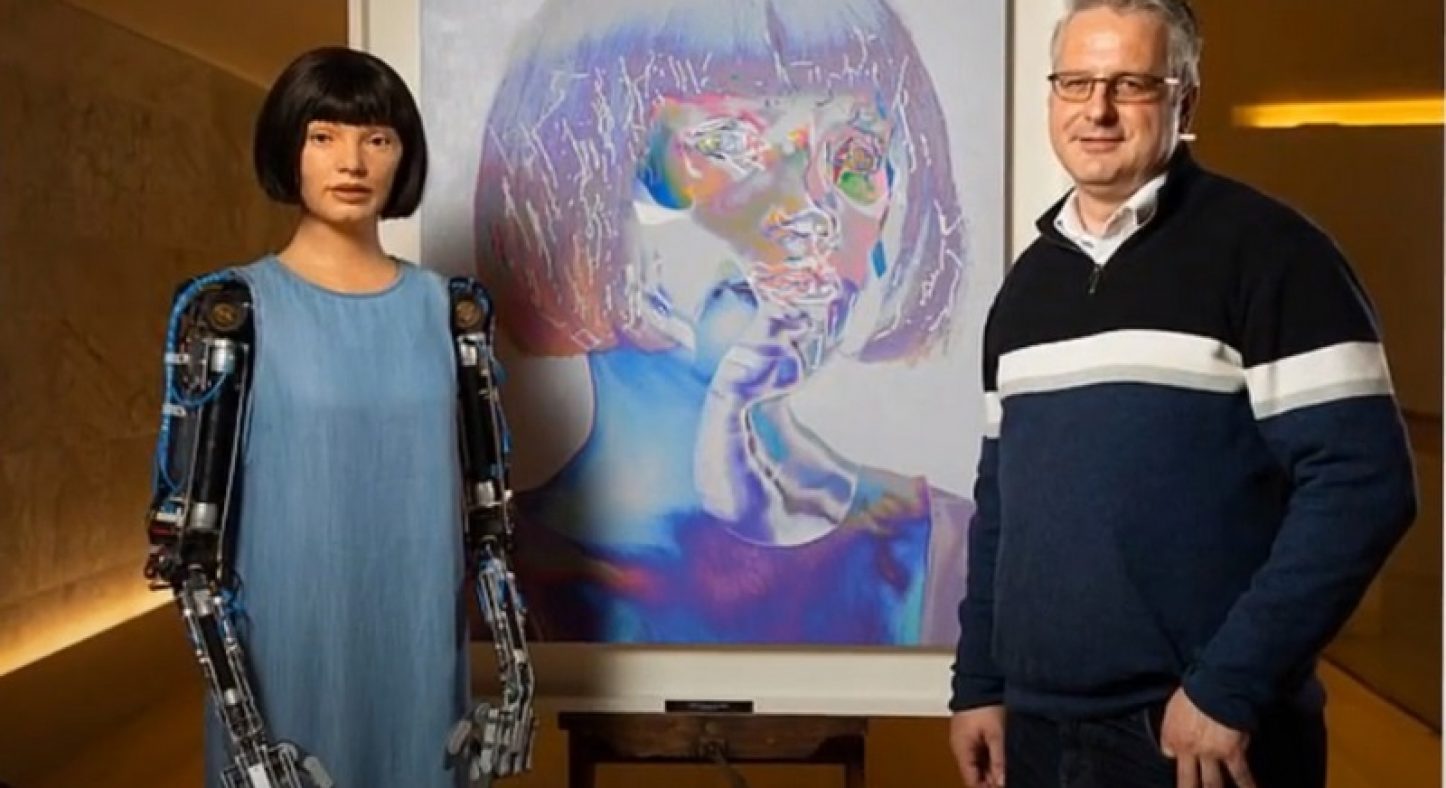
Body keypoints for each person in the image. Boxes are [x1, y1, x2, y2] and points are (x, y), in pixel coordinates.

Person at [947, 2, 1417, 787]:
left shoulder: (1274, 255)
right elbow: (1002, 506)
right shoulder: (1027, 289)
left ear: (1185, 101)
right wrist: (981, 684)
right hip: (1037, 733)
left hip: (1197, 736)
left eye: (1130, 84)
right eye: (1075, 82)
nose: (1097, 109)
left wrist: (1231, 684)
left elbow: (1365, 486)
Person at [473, 0, 979, 646]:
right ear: (576, 184)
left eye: (854, 159)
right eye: (727, 145)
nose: (811, 213)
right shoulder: (480, 576)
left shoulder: (943, 555)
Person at [194, 46, 468, 787]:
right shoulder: (235, 311)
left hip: (417, 628)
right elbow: (193, 535)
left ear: (403, 156)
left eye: (377, 138)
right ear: (289, 147)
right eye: (324, 136)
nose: (352, 161)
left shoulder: (447, 311)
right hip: (288, 635)